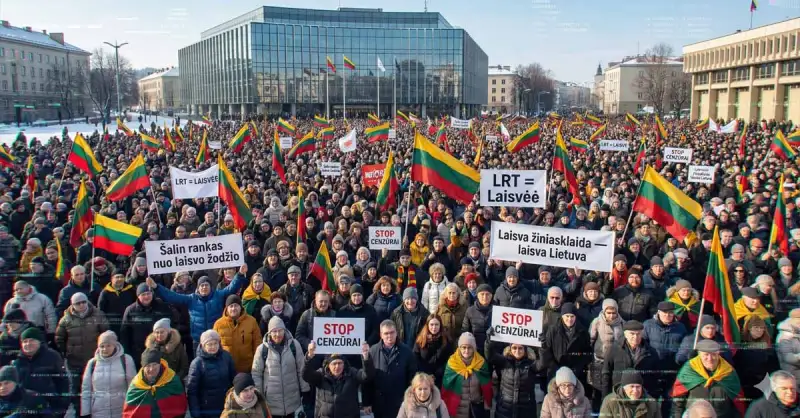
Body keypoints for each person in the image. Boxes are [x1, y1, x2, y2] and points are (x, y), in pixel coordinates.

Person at [147, 265, 248, 350]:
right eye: (202, 285)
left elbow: (231, 288)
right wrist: (156, 287)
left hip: (216, 338)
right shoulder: (191, 299)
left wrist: (239, 274)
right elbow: (172, 297)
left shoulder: (218, 295)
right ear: (198, 288)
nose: (204, 287)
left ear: (210, 287)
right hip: (198, 341)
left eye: (206, 285)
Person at [54, 291, 109, 411]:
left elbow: (106, 334)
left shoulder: (98, 315)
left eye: (84, 302)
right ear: (73, 305)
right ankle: (78, 411)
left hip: (95, 359)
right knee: (76, 389)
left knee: (96, 387)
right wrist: (66, 352)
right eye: (78, 303)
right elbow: (59, 338)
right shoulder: (66, 319)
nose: (81, 305)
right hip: (75, 361)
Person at [671, 339, 746, 418]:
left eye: (713, 354)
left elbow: (738, 402)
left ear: (718, 354)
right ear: (699, 355)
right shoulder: (689, 370)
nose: (710, 359)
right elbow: (678, 400)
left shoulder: (728, 372)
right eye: (706, 355)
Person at [251, 317, 308, 418]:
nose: (278, 334)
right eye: (274, 331)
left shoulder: (294, 345)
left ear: (284, 331)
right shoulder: (262, 349)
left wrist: (305, 389)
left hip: (292, 401)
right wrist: (259, 396)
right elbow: (256, 374)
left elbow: (301, 368)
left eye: (280, 330)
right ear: (269, 333)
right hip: (271, 403)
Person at [302, 341, 374, 418]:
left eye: (340, 363)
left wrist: (366, 357)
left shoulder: (352, 373)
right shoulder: (321, 375)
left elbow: (367, 376)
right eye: (334, 364)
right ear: (328, 365)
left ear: (344, 363)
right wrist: (309, 356)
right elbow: (306, 375)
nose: (337, 367)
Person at [365, 320, 418, 418]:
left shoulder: (407, 352)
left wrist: (410, 399)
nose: (389, 336)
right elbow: (368, 378)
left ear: (396, 332)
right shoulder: (373, 351)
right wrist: (366, 402)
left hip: (399, 403)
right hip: (379, 403)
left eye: (392, 332)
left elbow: (412, 378)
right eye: (386, 333)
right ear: (381, 335)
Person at [11, 327, 69, 414]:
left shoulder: (52, 356)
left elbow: (62, 381)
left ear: (39, 342)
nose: (28, 344)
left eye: (31, 340)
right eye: (25, 341)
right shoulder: (17, 361)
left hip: (49, 406)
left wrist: (62, 405)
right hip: (25, 407)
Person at [80, 331, 137, 418]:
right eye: (102, 346)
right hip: (98, 412)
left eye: (108, 346)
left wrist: (132, 408)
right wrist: (85, 412)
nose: (105, 349)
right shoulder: (92, 363)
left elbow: (133, 387)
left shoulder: (126, 360)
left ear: (115, 345)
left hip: (121, 410)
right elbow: (86, 389)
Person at [120, 283, 176, 367]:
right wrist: (127, 352)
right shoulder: (130, 310)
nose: (146, 296)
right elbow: (124, 332)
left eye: (148, 293)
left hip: (160, 349)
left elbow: (171, 325)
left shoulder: (162, 306)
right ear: (138, 296)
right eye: (143, 294)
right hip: (138, 351)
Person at [484, 337, 541, 418]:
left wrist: (544, 344)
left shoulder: (531, 365)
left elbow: (544, 362)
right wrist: (489, 341)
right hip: (505, 411)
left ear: (525, 350)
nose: (517, 351)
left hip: (526, 412)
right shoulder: (504, 362)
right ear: (510, 349)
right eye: (514, 348)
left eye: (520, 348)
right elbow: (490, 356)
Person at [122, 349, 188, 418]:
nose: (151, 369)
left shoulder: (171, 379)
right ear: (143, 367)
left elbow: (180, 406)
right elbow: (129, 413)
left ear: (160, 364)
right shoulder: (136, 384)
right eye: (148, 365)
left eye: (154, 364)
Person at [186, 330, 237, 418]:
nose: (213, 347)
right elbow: (192, 392)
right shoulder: (197, 363)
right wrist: (196, 414)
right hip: (207, 409)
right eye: (209, 344)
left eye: (215, 343)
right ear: (203, 345)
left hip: (226, 405)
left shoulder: (226, 357)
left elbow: (234, 379)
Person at [441, 332, 491, 418]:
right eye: (464, 347)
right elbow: (447, 388)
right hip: (458, 410)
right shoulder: (452, 363)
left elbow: (487, 388)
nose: (466, 351)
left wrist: (486, 406)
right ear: (459, 348)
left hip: (476, 411)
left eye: (469, 348)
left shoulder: (481, 363)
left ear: (474, 348)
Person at [213, 294, 262, 373]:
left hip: (247, 368)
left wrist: (257, 362)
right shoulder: (218, 324)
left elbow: (257, 342)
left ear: (240, 307)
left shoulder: (251, 321)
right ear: (226, 308)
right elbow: (214, 345)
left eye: (236, 305)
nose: (233, 308)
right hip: (226, 368)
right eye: (231, 306)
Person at [413, 314, 453, 386]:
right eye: (431, 324)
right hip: (423, 379)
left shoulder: (446, 340)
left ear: (440, 325)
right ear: (427, 325)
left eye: (436, 324)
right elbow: (415, 358)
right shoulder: (420, 340)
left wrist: (438, 373)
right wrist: (426, 374)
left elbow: (450, 360)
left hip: (441, 378)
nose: (434, 327)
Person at [460, 283, 493, 357]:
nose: (485, 297)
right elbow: (465, 331)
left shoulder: (498, 311)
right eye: (482, 294)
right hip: (475, 349)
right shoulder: (470, 311)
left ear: (491, 296)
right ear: (477, 295)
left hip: (493, 349)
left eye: (487, 294)